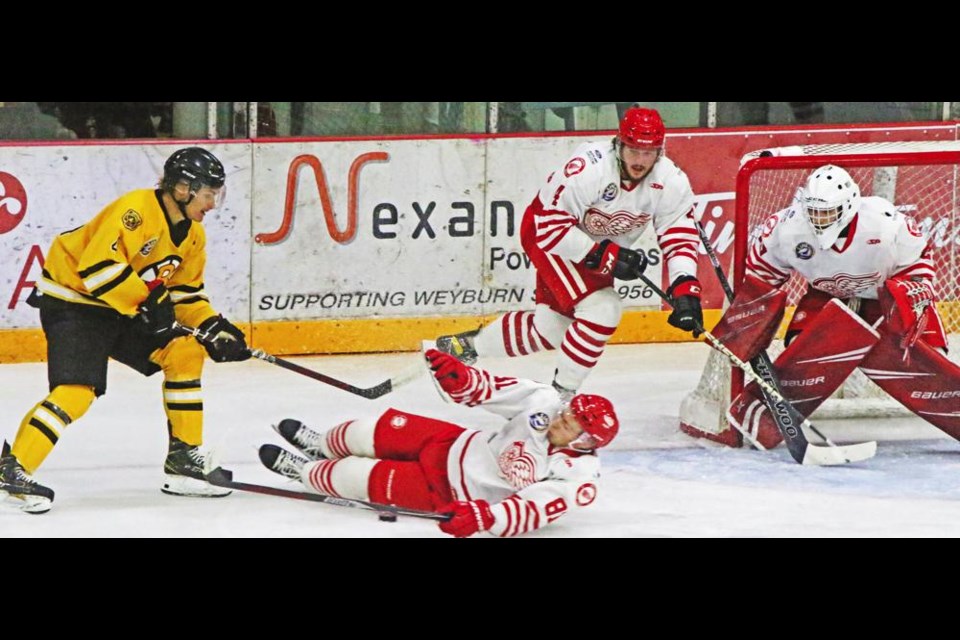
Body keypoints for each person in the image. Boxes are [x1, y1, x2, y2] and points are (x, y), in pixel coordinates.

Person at [0, 147, 251, 514]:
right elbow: (98, 268)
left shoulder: (193, 236)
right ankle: (13, 467)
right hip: (75, 302)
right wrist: (147, 303)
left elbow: (185, 293)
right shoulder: (136, 211)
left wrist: (213, 326)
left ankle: (184, 461)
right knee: (77, 392)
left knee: (183, 351)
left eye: (217, 193)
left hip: (123, 307)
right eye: (208, 193)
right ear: (183, 189)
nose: (213, 203)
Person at [435, 106, 703, 398]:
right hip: (548, 233)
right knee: (603, 310)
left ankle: (465, 346)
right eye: (633, 150)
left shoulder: (670, 181)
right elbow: (550, 228)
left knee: (552, 328)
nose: (640, 160)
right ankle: (559, 400)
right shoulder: (589, 169)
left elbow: (680, 235)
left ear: (659, 151)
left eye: (648, 152)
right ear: (619, 143)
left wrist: (684, 286)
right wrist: (608, 257)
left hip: (590, 244)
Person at [711, 163, 959, 448]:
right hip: (825, 298)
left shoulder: (884, 222)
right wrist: (748, 323)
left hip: (883, 298)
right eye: (814, 212)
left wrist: (910, 297)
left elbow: (917, 260)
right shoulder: (787, 228)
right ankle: (761, 417)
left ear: (850, 205)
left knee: (928, 356)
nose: (819, 220)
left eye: (827, 212)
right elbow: (762, 277)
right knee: (799, 351)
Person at [258, 349, 620, 538]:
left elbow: (533, 510)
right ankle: (321, 443)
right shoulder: (544, 401)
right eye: (566, 411)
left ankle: (305, 470)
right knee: (365, 430)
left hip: (449, 490)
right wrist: (460, 378)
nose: (559, 417)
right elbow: (493, 389)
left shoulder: (578, 479)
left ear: (584, 440)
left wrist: (485, 516)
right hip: (452, 443)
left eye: (568, 422)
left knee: (355, 475)